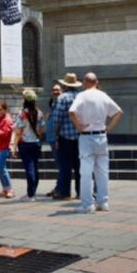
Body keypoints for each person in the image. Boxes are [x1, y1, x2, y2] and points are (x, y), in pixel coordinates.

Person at [69, 72, 123, 213]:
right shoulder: (103, 95)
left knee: (86, 172)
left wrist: (78, 126)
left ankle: (88, 204)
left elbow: (72, 111)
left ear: (84, 82)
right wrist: (109, 128)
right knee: (103, 172)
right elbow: (119, 112)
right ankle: (103, 202)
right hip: (101, 136)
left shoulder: (82, 95)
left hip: (87, 137)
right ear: (96, 82)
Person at [51, 73, 83, 201]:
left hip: (65, 136)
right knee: (80, 166)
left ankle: (65, 192)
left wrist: (56, 134)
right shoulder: (81, 97)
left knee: (65, 166)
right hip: (81, 136)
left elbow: (57, 118)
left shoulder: (62, 98)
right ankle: (81, 192)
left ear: (65, 85)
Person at [13, 89, 43, 201]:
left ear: (25, 100)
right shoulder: (39, 113)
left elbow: (18, 132)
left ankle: (30, 195)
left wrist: (14, 147)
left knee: (29, 168)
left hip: (25, 144)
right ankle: (33, 192)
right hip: (36, 143)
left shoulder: (22, 113)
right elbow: (41, 131)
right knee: (35, 168)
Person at [43, 84, 62, 197]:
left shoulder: (61, 102)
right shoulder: (53, 103)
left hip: (56, 138)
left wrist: (58, 138)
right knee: (58, 164)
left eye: (57, 90)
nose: (55, 91)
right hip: (51, 137)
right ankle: (58, 187)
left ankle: (59, 188)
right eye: (54, 90)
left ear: (62, 91)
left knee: (60, 164)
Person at [0, 101, 15, 199]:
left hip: (4, 147)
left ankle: (9, 189)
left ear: (5, 109)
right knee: (0, 168)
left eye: (0, 110)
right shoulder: (0, 119)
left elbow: (5, 134)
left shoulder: (7, 120)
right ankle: (5, 189)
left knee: (1, 168)